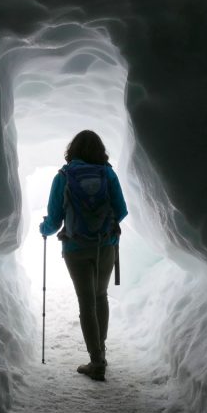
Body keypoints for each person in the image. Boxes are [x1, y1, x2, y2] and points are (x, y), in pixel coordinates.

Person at [39, 130, 128, 381]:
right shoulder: (108, 174)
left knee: (86, 301)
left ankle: (96, 360)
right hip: (106, 247)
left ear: (72, 150)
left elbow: (55, 220)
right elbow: (121, 210)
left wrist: (44, 229)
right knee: (101, 296)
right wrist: (104, 228)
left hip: (75, 249)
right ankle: (101, 352)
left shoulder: (63, 177)